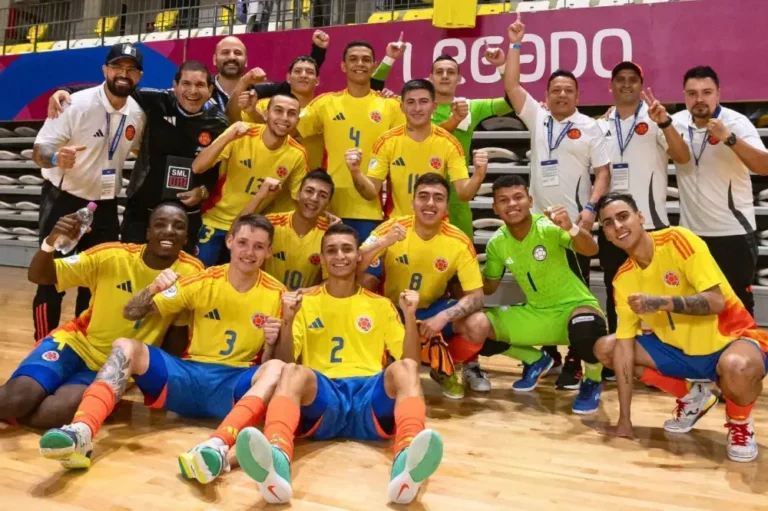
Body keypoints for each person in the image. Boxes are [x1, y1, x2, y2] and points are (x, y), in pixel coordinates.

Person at [38, 215, 288, 477]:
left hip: (232, 385)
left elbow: (275, 363)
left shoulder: (278, 294)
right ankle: (82, 431)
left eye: (259, 246)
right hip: (189, 377)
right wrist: (152, 289)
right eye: (243, 243)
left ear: (269, 251)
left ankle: (218, 446)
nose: (249, 252)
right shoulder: (203, 280)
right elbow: (131, 312)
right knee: (126, 346)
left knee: (276, 368)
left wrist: (273, 343)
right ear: (229, 241)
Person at [233, 223, 443, 505]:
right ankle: (276, 461)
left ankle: (407, 460)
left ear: (359, 256)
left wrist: (409, 316)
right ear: (322, 258)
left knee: (403, 369)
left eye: (347, 249)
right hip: (325, 397)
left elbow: (412, 363)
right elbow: (283, 363)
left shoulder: (381, 305)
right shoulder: (305, 302)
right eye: (331, 250)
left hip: (368, 397)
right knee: (292, 371)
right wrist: (288, 321)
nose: (340, 256)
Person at [594, 192, 768, 462]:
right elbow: (624, 350)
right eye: (608, 223)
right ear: (606, 234)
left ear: (640, 217)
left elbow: (716, 302)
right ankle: (693, 396)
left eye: (623, 216)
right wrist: (624, 420)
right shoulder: (623, 279)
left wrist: (660, 302)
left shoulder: (678, 240)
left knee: (738, 367)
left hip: (731, 339)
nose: (617, 226)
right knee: (608, 348)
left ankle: (740, 423)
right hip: (680, 352)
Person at [0, 203, 201, 429]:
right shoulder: (111, 255)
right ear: (148, 232)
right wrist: (51, 242)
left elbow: (178, 333)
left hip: (115, 363)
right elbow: (39, 275)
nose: (169, 231)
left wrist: (157, 381)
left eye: (178, 226)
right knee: (17, 398)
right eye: (160, 224)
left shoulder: (192, 274)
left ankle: (18, 412)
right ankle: (18, 406)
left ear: (186, 237)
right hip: (76, 343)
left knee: (56, 412)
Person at [504, 14, 611, 390]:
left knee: (575, 293)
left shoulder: (591, 127)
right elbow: (512, 84)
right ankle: (548, 353)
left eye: (568, 90)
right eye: (555, 90)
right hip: (536, 226)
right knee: (540, 291)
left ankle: (577, 361)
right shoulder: (538, 118)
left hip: (572, 227)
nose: (561, 95)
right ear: (547, 95)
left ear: (577, 97)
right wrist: (515, 42)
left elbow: (603, 174)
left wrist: (590, 209)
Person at [458, 175, 607, 414]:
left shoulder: (548, 227)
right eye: (503, 200)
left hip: (575, 309)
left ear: (530, 200)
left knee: (585, 326)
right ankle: (535, 359)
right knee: (474, 325)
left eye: (518, 197)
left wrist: (571, 227)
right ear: (495, 208)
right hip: (537, 315)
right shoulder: (497, 243)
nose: (512, 204)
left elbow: (591, 249)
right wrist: (462, 270)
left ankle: (592, 381)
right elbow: (490, 288)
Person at [49, 60, 230, 254]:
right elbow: (113, 90)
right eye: (186, 83)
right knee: (132, 263)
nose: (192, 91)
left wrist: (203, 191)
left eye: (200, 85)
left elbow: (215, 172)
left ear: (210, 89)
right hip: (142, 208)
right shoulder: (157, 101)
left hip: (185, 213)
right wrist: (67, 90)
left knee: (179, 269)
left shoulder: (219, 123)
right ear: (175, 86)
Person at [31, 42, 146, 341]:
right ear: (105, 70)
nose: (124, 74)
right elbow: (39, 150)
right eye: (117, 67)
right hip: (65, 200)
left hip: (105, 206)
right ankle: (41, 347)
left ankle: (83, 344)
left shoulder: (138, 114)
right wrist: (56, 158)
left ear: (139, 76)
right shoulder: (75, 104)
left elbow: (138, 150)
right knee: (51, 279)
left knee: (97, 282)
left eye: (131, 69)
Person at [595, 61, 690, 379]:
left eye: (632, 79)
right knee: (616, 291)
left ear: (641, 85)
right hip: (612, 227)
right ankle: (618, 360)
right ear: (611, 85)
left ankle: (662, 361)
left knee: (659, 295)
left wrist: (665, 123)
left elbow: (682, 156)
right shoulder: (600, 125)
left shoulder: (655, 119)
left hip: (651, 225)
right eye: (620, 79)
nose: (626, 84)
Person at [356, 173, 485, 399]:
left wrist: (443, 316)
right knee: (362, 291)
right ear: (412, 202)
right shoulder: (392, 228)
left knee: (479, 323)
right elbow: (355, 265)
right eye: (423, 196)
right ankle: (380, 360)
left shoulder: (459, 241)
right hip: (392, 312)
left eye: (438, 198)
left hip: (432, 312)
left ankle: (442, 366)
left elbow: (477, 296)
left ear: (446, 207)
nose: (430, 203)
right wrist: (384, 242)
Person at [672, 66, 768, 317]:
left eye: (706, 92)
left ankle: (744, 345)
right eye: (692, 93)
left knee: (737, 309)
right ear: (684, 96)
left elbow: (764, 167)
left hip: (733, 232)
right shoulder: (676, 123)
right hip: (691, 236)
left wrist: (729, 138)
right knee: (697, 308)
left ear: (718, 94)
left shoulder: (736, 122)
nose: (699, 99)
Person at [227, 31, 397, 171]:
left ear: (317, 81)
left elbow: (362, 90)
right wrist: (252, 108)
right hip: (267, 182)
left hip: (314, 190)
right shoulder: (268, 105)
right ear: (288, 78)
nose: (303, 76)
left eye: (309, 72)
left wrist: (388, 62)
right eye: (298, 71)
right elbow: (237, 120)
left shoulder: (321, 107)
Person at [295, 39, 407, 241]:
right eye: (353, 59)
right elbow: (289, 128)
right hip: (328, 207)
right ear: (343, 66)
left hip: (370, 209)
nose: (360, 64)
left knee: (366, 262)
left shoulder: (390, 105)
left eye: (366, 60)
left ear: (374, 65)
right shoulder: (325, 103)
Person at [193, 94, 308, 267]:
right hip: (214, 220)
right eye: (278, 111)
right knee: (200, 274)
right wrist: (227, 135)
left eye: (291, 113)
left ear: (297, 120)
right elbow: (197, 167)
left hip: (250, 229)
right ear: (266, 114)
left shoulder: (298, 154)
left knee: (240, 279)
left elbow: (300, 199)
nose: (284, 118)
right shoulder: (241, 134)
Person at [348, 79, 485, 219]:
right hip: (397, 226)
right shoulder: (386, 141)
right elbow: (370, 193)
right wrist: (356, 172)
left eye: (423, 102)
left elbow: (463, 194)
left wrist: (479, 175)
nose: (417, 108)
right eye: (410, 102)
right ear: (402, 107)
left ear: (434, 106)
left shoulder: (450, 143)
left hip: (436, 225)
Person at [429, 51, 513, 238]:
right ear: (431, 78)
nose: (445, 76)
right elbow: (428, 138)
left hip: (459, 197)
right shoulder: (419, 108)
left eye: (451, 72)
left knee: (462, 253)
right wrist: (455, 119)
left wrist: (501, 67)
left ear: (459, 79)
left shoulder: (471, 107)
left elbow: (511, 101)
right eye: (439, 72)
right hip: (424, 196)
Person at [263, 171, 335, 290]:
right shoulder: (271, 223)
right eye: (309, 191)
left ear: (328, 204)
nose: (314, 198)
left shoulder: (329, 233)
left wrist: (305, 294)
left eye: (322, 195)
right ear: (297, 194)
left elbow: (331, 280)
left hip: (305, 300)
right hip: (266, 297)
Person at [211, 36, 248, 110]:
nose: (232, 57)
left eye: (238, 53)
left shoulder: (256, 92)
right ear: (215, 59)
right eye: (225, 52)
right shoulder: (203, 90)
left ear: (246, 61)